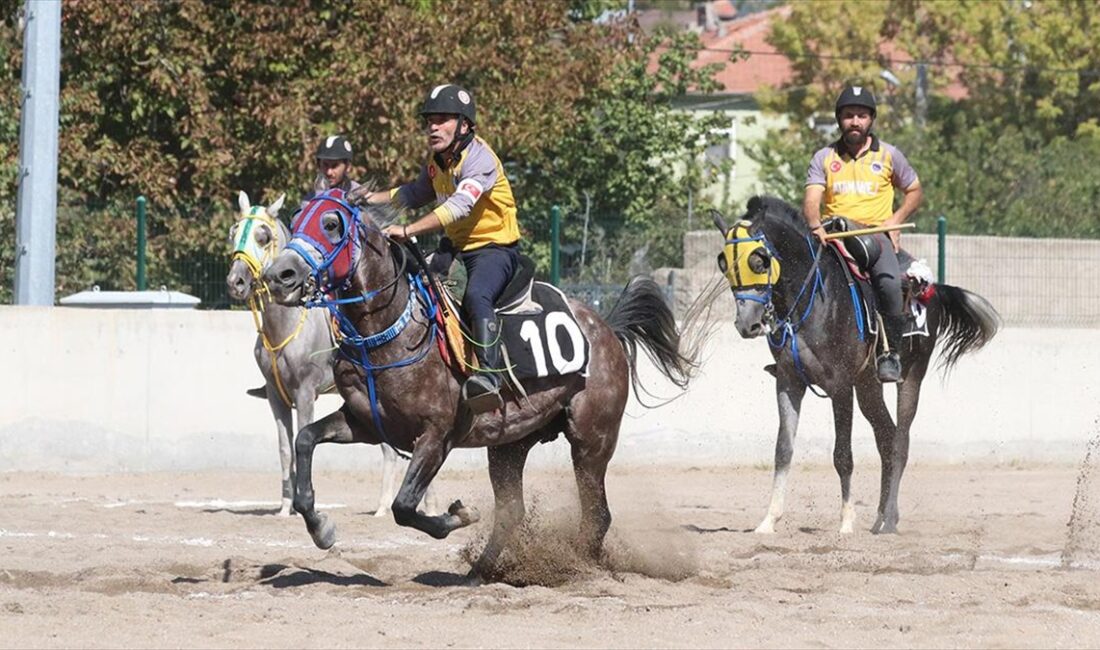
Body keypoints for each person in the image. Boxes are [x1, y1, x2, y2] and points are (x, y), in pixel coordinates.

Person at [362, 84, 521, 413]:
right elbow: (414, 193)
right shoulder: (438, 161)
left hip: (494, 248)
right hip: (456, 245)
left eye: (443, 119)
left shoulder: (481, 159)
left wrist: (408, 229)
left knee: (477, 296)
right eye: (430, 120)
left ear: (464, 125)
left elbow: (458, 208)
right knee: (411, 288)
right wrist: (366, 200)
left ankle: (490, 377)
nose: (433, 126)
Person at [803, 85, 923, 383]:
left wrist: (896, 220)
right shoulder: (824, 157)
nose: (854, 121)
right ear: (839, 120)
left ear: (871, 119)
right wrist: (815, 225)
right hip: (833, 236)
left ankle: (890, 354)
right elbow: (811, 199)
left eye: (861, 115)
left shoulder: (890, 155)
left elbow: (914, 191)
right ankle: (789, 349)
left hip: (876, 237)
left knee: (889, 285)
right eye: (848, 116)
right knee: (798, 277)